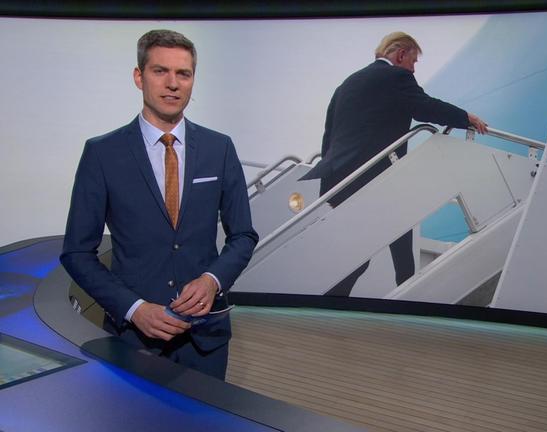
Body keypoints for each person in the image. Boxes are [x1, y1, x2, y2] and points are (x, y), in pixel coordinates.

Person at [60, 29, 258, 379]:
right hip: (133, 339)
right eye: (160, 71)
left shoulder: (219, 148)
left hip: (205, 340)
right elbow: (77, 252)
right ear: (139, 77)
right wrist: (134, 308)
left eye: (184, 73)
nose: (173, 84)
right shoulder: (102, 153)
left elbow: (243, 235)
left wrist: (212, 280)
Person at [301, 31, 488, 297]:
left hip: (340, 181)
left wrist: (331, 183)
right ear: (401, 54)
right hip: (376, 178)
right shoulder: (396, 77)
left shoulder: (346, 84)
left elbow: (329, 137)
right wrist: (465, 117)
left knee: (370, 251)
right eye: (413, 61)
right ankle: (403, 298)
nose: (413, 69)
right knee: (386, 244)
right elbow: (425, 107)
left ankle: (343, 301)